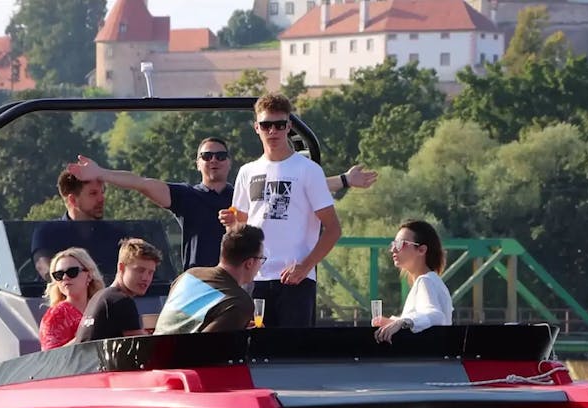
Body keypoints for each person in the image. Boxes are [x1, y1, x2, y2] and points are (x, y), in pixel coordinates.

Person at [66, 141, 375, 271]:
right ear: (198, 162)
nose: (214, 160)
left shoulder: (247, 191)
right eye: (207, 156)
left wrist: (345, 180)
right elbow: (142, 182)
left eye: (220, 155)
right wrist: (101, 173)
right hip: (201, 278)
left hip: (241, 280)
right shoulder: (187, 196)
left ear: (229, 162)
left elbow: (301, 187)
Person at [219, 93, 342, 328]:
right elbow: (241, 229)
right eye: (266, 125)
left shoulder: (308, 170)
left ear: (289, 127)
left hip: (295, 278)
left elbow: (333, 229)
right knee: (255, 351)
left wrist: (305, 267)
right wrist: (231, 223)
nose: (272, 131)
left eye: (279, 125)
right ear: (257, 128)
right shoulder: (247, 171)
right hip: (255, 277)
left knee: (291, 354)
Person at [154, 224, 265, 334]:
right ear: (249, 263)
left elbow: (186, 322)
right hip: (182, 351)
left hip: (150, 349)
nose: (261, 264)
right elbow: (209, 347)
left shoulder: (189, 275)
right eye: (261, 258)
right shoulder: (239, 302)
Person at [372, 220, 453, 344]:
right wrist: (393, 323)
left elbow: (436, 315)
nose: (393, 249)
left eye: (400, 244)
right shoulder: (431, 280)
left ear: (421, 250)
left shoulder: (425, 281)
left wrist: (403, 322)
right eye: (393, 244)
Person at [74, 238, 162, 342]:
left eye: (150, 272)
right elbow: (142, 348)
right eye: (140, 270)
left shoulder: (99, 297)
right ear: (121, 267)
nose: (145, 278)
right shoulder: (120, 301)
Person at [32, 167, 108, 279]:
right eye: (93, 193)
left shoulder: (114, 233)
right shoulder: (47, 232)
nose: (101, 199)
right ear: (73, 200)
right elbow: (43, 267)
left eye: (102, 193)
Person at [39, 247, 105, 350]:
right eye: (59, 275)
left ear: (89, 275)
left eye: (72, 272)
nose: (65, 278)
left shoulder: (103, 308)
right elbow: (50, 359)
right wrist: (86, 336)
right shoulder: (55, 315)